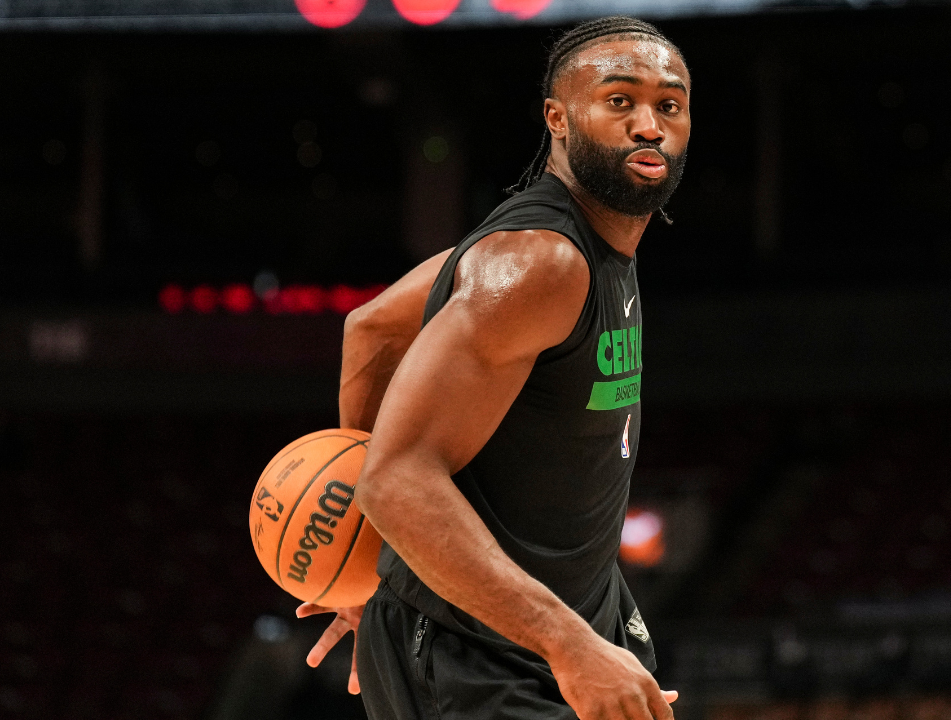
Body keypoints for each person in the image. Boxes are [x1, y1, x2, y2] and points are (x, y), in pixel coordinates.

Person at [296, 16, 691, 720]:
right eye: (620, 100)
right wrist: (570, 645)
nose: (649, 125)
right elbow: (393, 478)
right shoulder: (540, 262)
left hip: (546, 627)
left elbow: (376, 327)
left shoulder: (597, 243)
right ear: (559, 119)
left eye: (669, 104)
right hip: (470, 654)